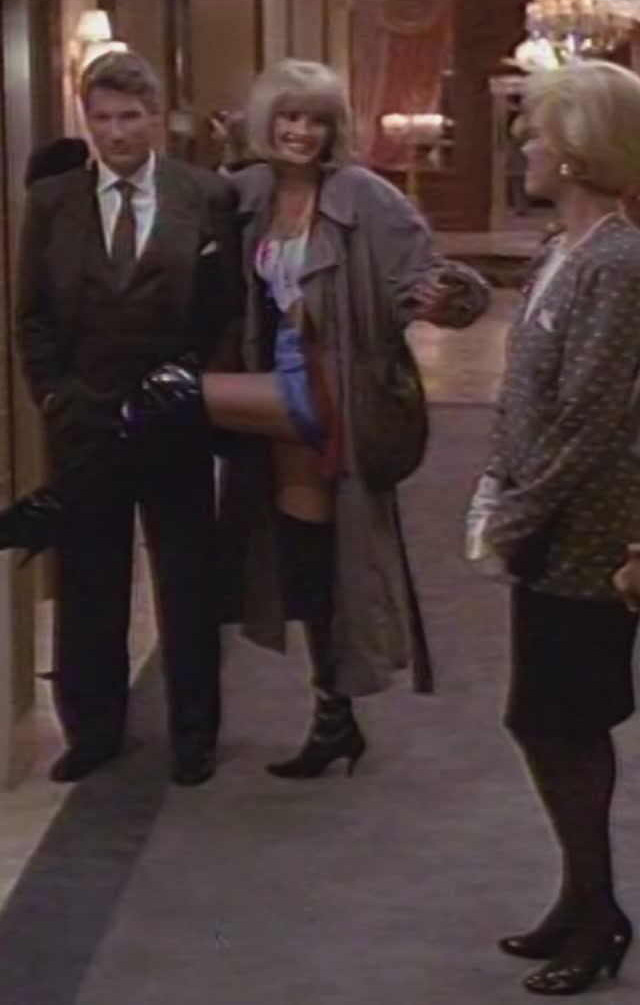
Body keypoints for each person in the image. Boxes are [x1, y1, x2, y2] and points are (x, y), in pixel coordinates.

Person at [123, 58, 490, 780]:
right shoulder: (248, 191)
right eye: (289, 117)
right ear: (268, 121)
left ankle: (76, 512)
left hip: (334, 387)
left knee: (167, 396)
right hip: (279, 375)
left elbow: (434, 279)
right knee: (310, 557)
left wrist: (449, 297)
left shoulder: (365, 196)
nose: (301, 131)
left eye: (315, 120)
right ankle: (334, 719)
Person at [14, 50, 240, 786]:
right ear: (87, 120)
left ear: (156, 118)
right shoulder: (52, 201)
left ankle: (194, 734)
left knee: (187, 581)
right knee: (88, 582)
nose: (116, 133)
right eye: (102, 118)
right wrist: (54, 395)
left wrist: (197, 386)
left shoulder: (204, 195)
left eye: (130, 117)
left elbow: (227, 311)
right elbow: (31, 314)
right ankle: (94, 730)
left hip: (174, 419)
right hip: (84, 421)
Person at [469, 60, 640, 995]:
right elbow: (530, 396)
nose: (524, 148)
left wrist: (513, 511)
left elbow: (592, 417)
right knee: (542, 719)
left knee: (561, 720)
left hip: (589, 531)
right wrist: (503, 485)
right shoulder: (560, 250)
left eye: (536, 133)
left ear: (575, 151)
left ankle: (601, 913)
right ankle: (580, 899)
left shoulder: (619, 262)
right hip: (547, 520)